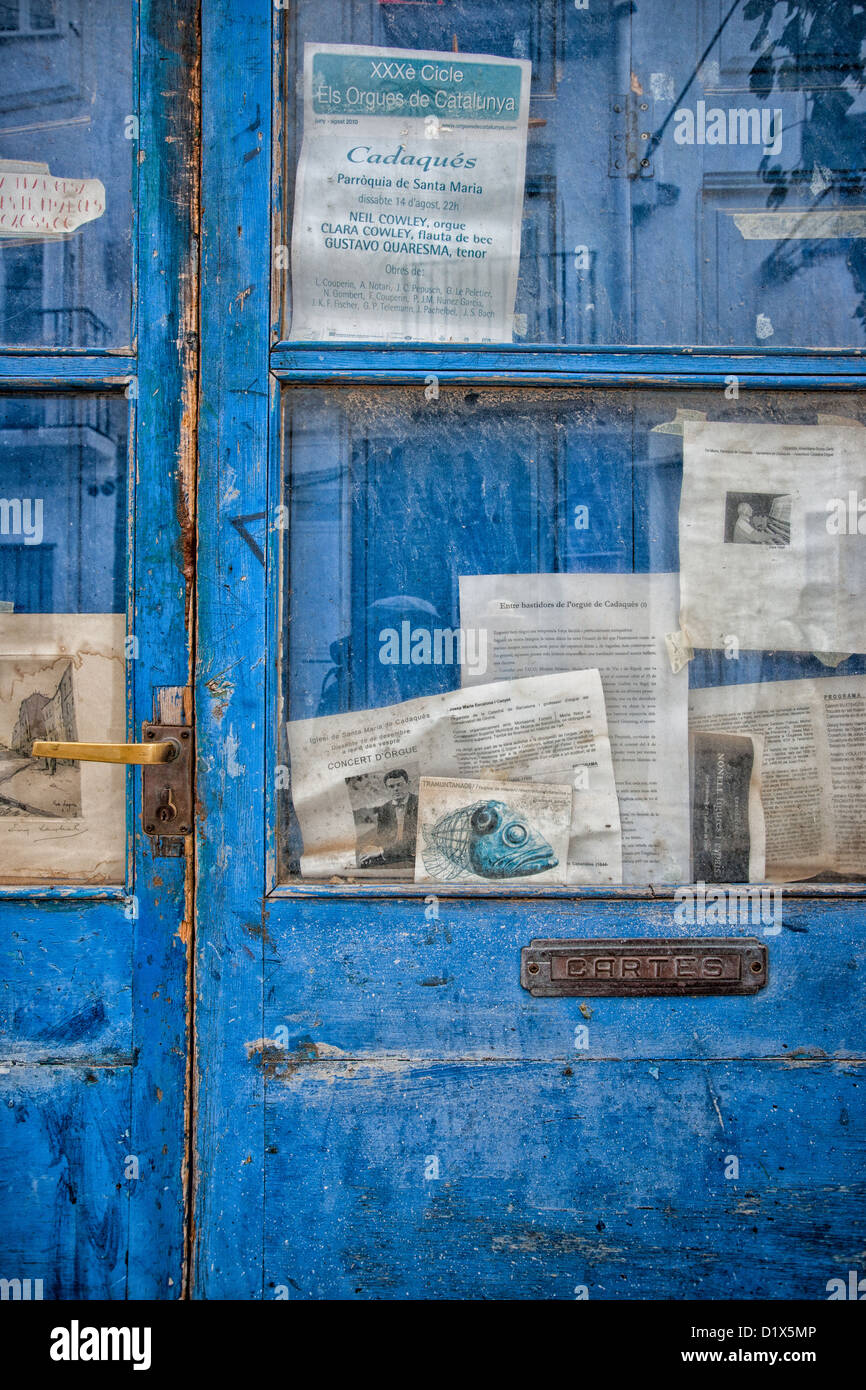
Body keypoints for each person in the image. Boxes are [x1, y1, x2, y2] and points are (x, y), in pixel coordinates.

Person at [358, 768, 418, 867]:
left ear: (408, 784)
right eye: (391, 786)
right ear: (387, 789)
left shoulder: (419, 802)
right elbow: (382, 836)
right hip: (390, 854)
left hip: (411, 854)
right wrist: (370, 849)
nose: (396, 789)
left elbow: (413, 840)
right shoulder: (384, 809)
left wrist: (380, 850)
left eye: (399, 784)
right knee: (365, 862)